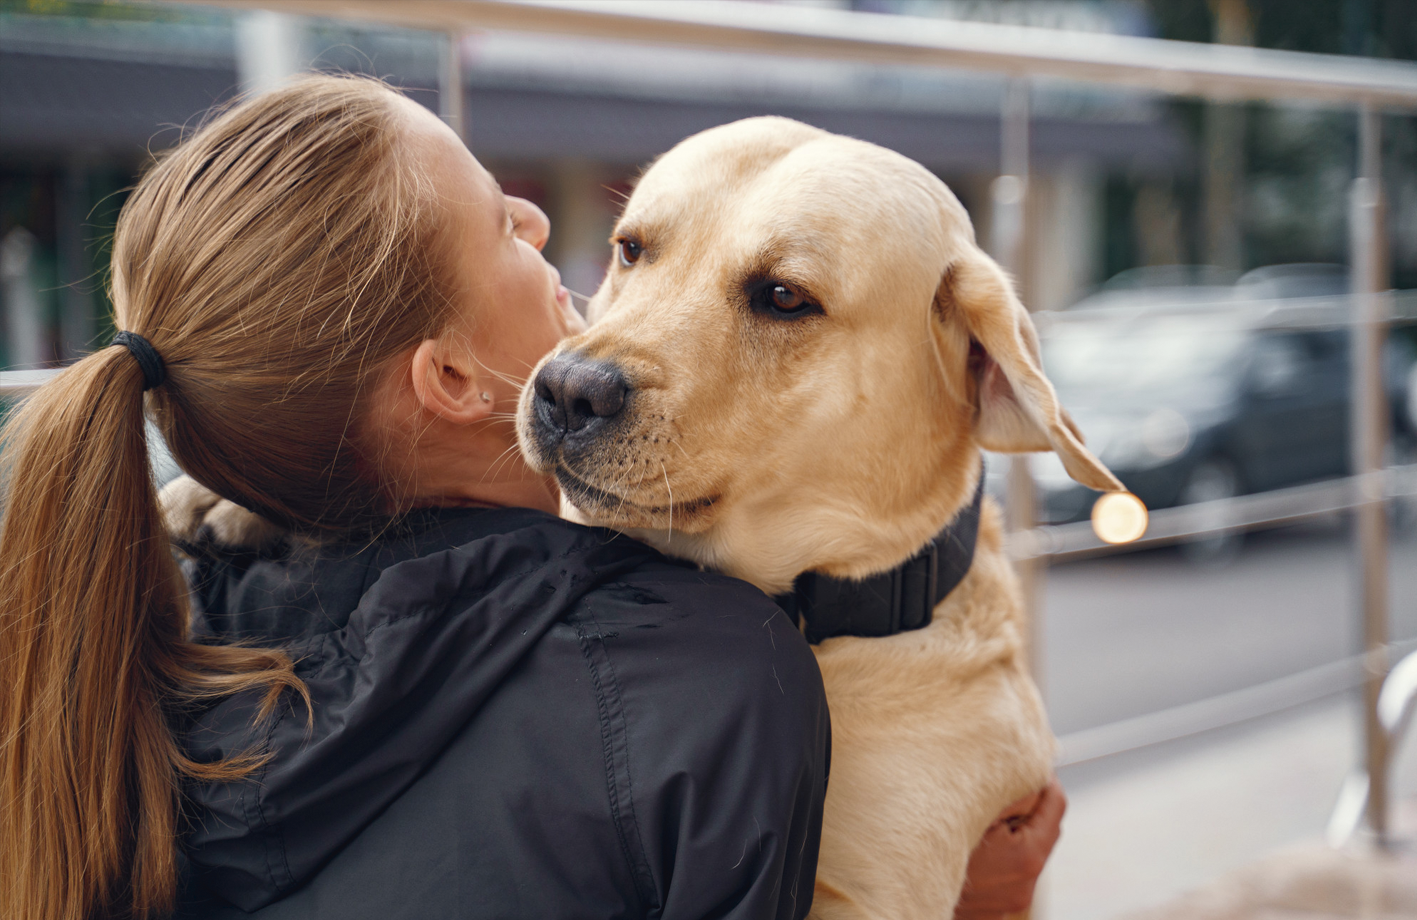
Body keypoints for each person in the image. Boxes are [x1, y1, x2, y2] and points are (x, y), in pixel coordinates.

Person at [0, 75, 1060, 920]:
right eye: (639, 251)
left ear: (982, 372)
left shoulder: (143, 594)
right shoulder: (724, 685)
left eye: (778, 297)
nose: (610, 327)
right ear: (448, 380)